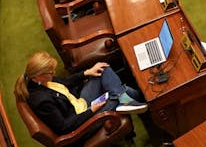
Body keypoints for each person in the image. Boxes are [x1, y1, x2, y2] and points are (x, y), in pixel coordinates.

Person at [16, 52, 147, 137]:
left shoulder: (40, 81)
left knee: (103, 69)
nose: (54, 73)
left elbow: (65, 82)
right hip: (81, 122)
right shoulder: (41, 102)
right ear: (39, 76)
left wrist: (87, 72)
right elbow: (65, 127)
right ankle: (137, 99)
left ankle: (124, 96)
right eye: (50, 72)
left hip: (79, 103)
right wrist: (92, 111)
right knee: (114, 97)